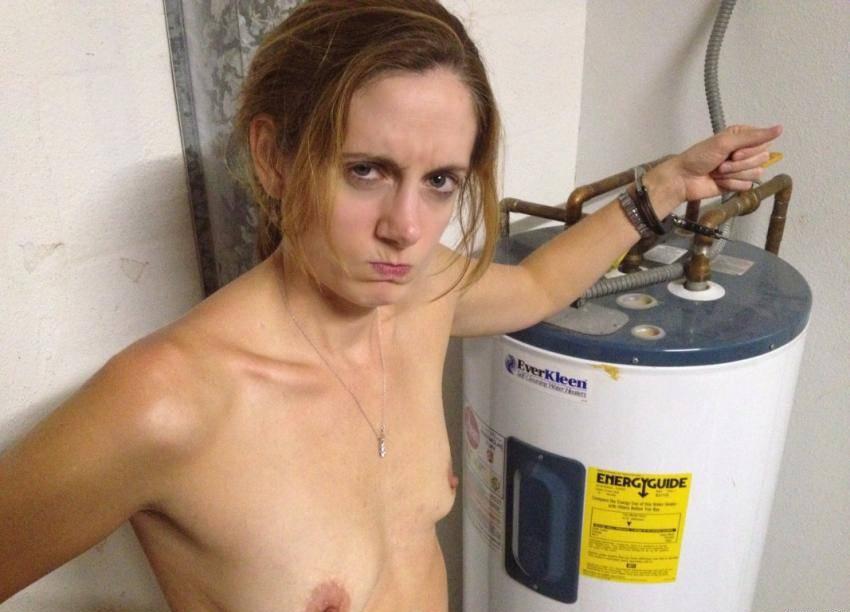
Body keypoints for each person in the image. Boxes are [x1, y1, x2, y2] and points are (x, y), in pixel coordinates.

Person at [0, 1, 780, 610]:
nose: (405, 228)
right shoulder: (167, 403)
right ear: (274, 158)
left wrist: (665, 186)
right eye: (366, 170)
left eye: (439, 181)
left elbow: (538, 288)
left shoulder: (422, 295)